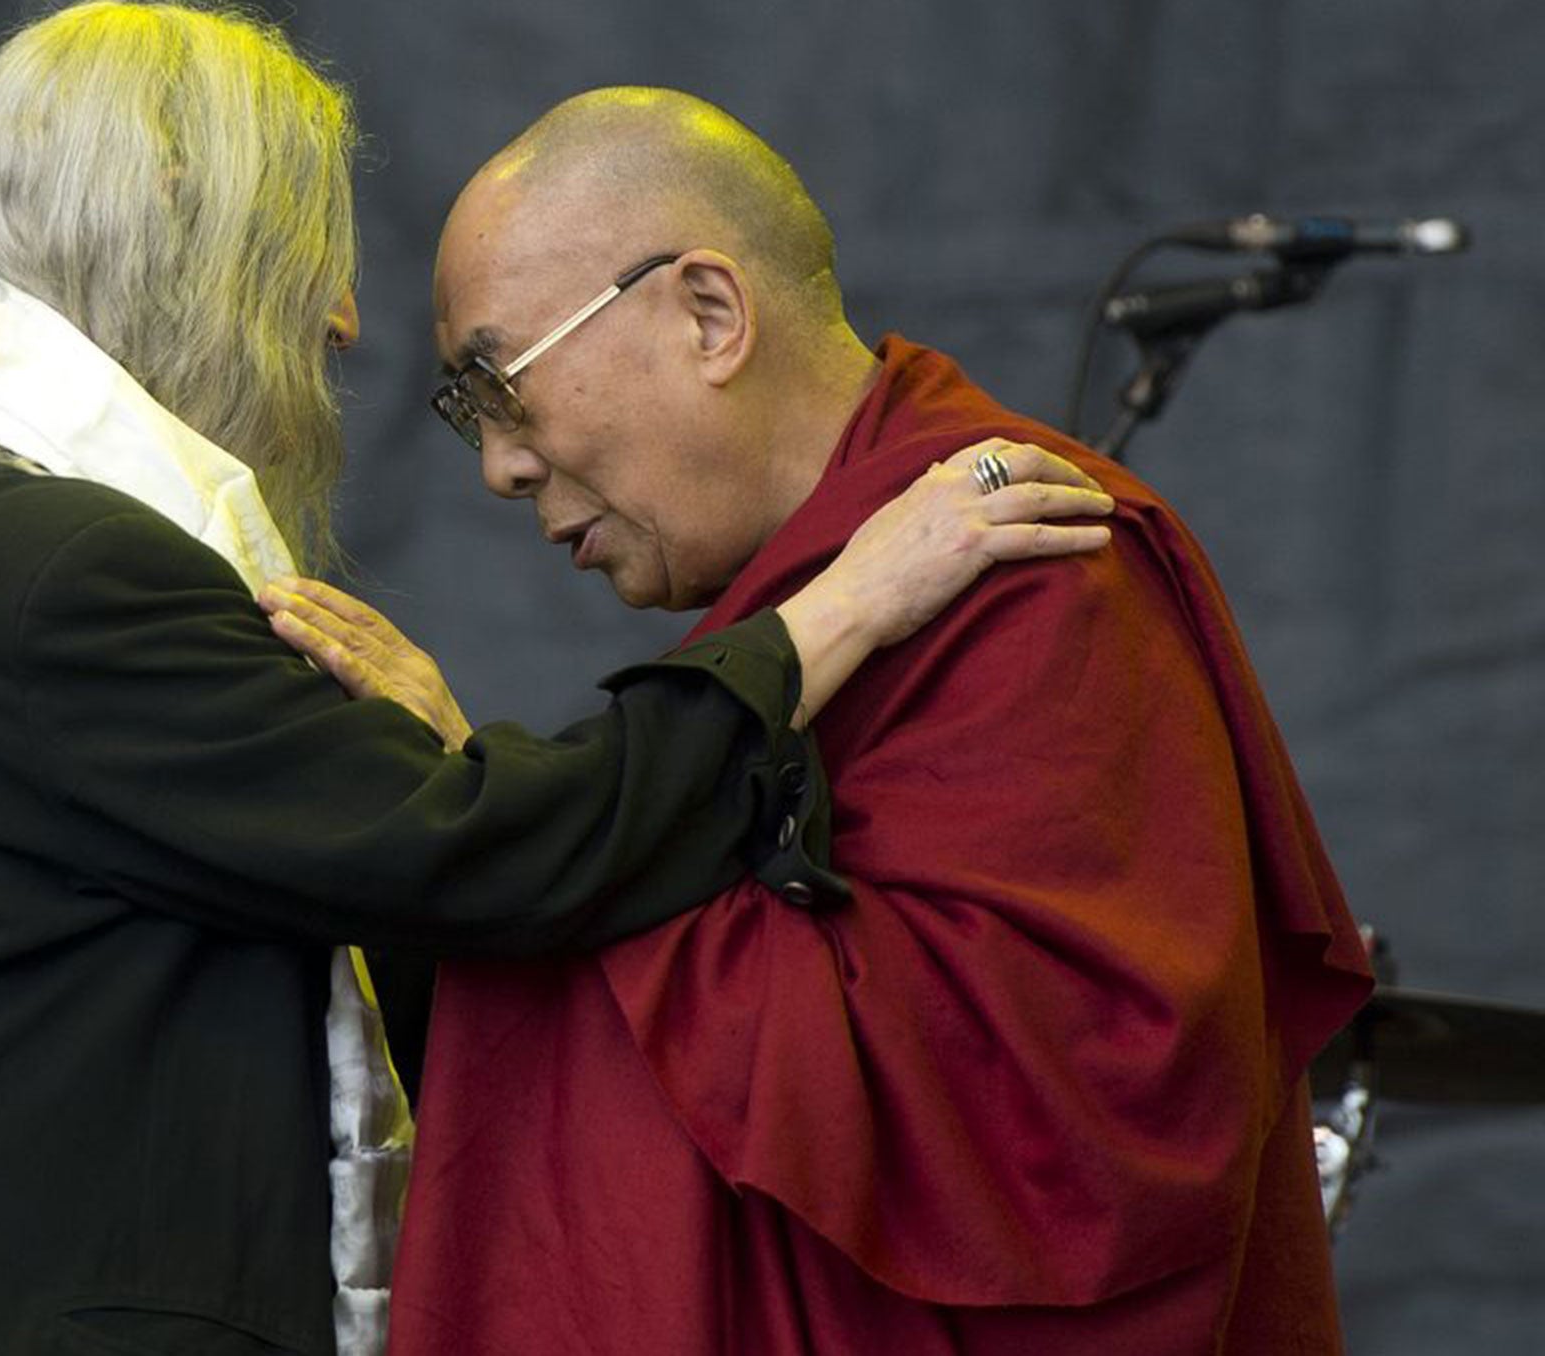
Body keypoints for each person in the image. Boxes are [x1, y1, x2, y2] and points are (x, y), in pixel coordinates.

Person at [0, 11, 1115, 1356]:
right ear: (196, 247)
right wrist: (838, 613)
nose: (337, 325)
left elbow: (412, 867)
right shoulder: (52, 566)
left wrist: (438, 775)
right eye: (309, 261)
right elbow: (478, 864)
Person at [278, 87, 1373, 1355]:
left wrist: (520, 853)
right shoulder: (818, 597)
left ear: (707, 313)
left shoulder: (1032, 558)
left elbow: (1057, 1116)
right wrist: (503, 823)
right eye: (468, 415)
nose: (499, 467)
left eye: (495, 384)